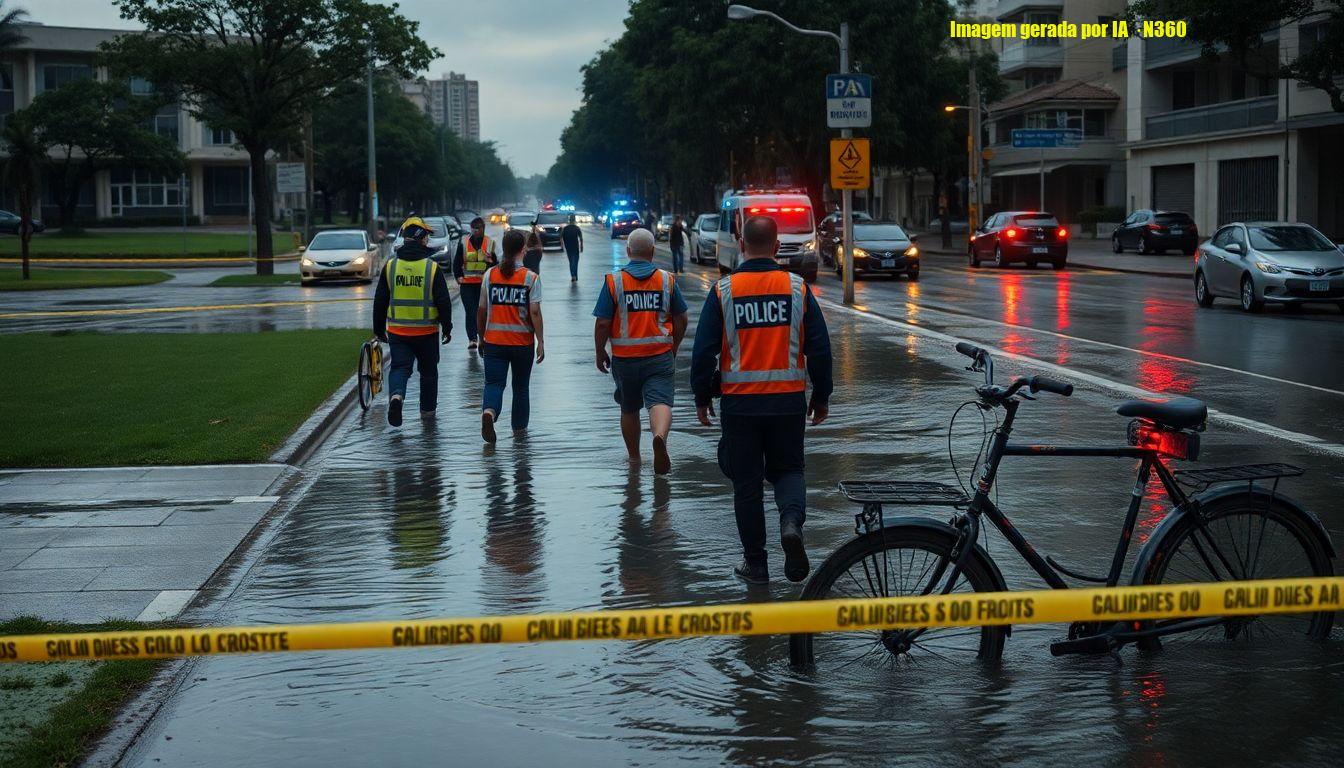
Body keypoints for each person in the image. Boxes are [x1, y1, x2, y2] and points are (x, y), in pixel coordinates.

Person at [691, 215, 832, 585]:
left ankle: (756, 564)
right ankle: (790, 523)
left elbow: (703, 351)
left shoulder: (723, 291)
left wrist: (702, 396)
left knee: (747, 483)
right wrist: (821, 396)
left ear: (741, 244)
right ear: (776, 246)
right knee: (789, 470)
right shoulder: (798, 289)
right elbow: (819, 348)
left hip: (740, 405)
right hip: (788, 402)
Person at [593, 228, 688, 474]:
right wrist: (674, 345)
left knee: (629, 408)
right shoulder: (667, 280)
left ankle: (634, 459)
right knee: (660, 402)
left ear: (628, 251)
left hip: (625, 359)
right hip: (659, 355)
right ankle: (659, 436)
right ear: (653, 251)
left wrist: (600, 351)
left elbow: (603, 323)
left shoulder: (614, 281)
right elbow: (682, 317)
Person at [373, 216, 454, 428]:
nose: (428, 240)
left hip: (398, 331)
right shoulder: (431, 268)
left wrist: (379, 329)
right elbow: (443, 301)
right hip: (427, 332)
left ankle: (396, 397)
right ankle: (427, 415)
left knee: (400, 368)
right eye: (426, 236)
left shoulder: (391, 267)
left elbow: (380, 300)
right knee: (428, 373)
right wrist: (447, 327)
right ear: (421, 238)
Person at [478, 229, 545, 443]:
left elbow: (481, 310)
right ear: (523, 249)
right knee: (521, 388)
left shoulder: (490, 275)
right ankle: (519, 436)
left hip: (494, 342)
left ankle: (489, 413)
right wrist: (540, 341)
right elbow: (535, 312)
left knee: (494, 384)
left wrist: (481, 337)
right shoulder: (531, 278)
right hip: (522, 343)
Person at [451, 217, 497, 351]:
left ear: (483, 229)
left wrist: (490, 264)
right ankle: (472, 339)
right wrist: (458, 277)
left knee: (483, 311)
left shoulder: (490, 243)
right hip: (467, 284)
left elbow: (495, 264)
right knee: (470, 311)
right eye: (473, 228)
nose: (475, 231)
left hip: (483, 285)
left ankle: (483, 336)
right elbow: (457, 262)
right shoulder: (464, 243)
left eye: (478, 228)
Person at [561, 214, 584, 283]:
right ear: (574, 220)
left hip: (568, 247)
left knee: (571, 262)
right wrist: (581, 246)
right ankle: (575, 276)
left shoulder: (565, 228)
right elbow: (581, 238)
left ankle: (573, 276)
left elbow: (561, 238)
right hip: (575, 247)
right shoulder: (577, 228)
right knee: (575, 262)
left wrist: (562, 246)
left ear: (569, 220)